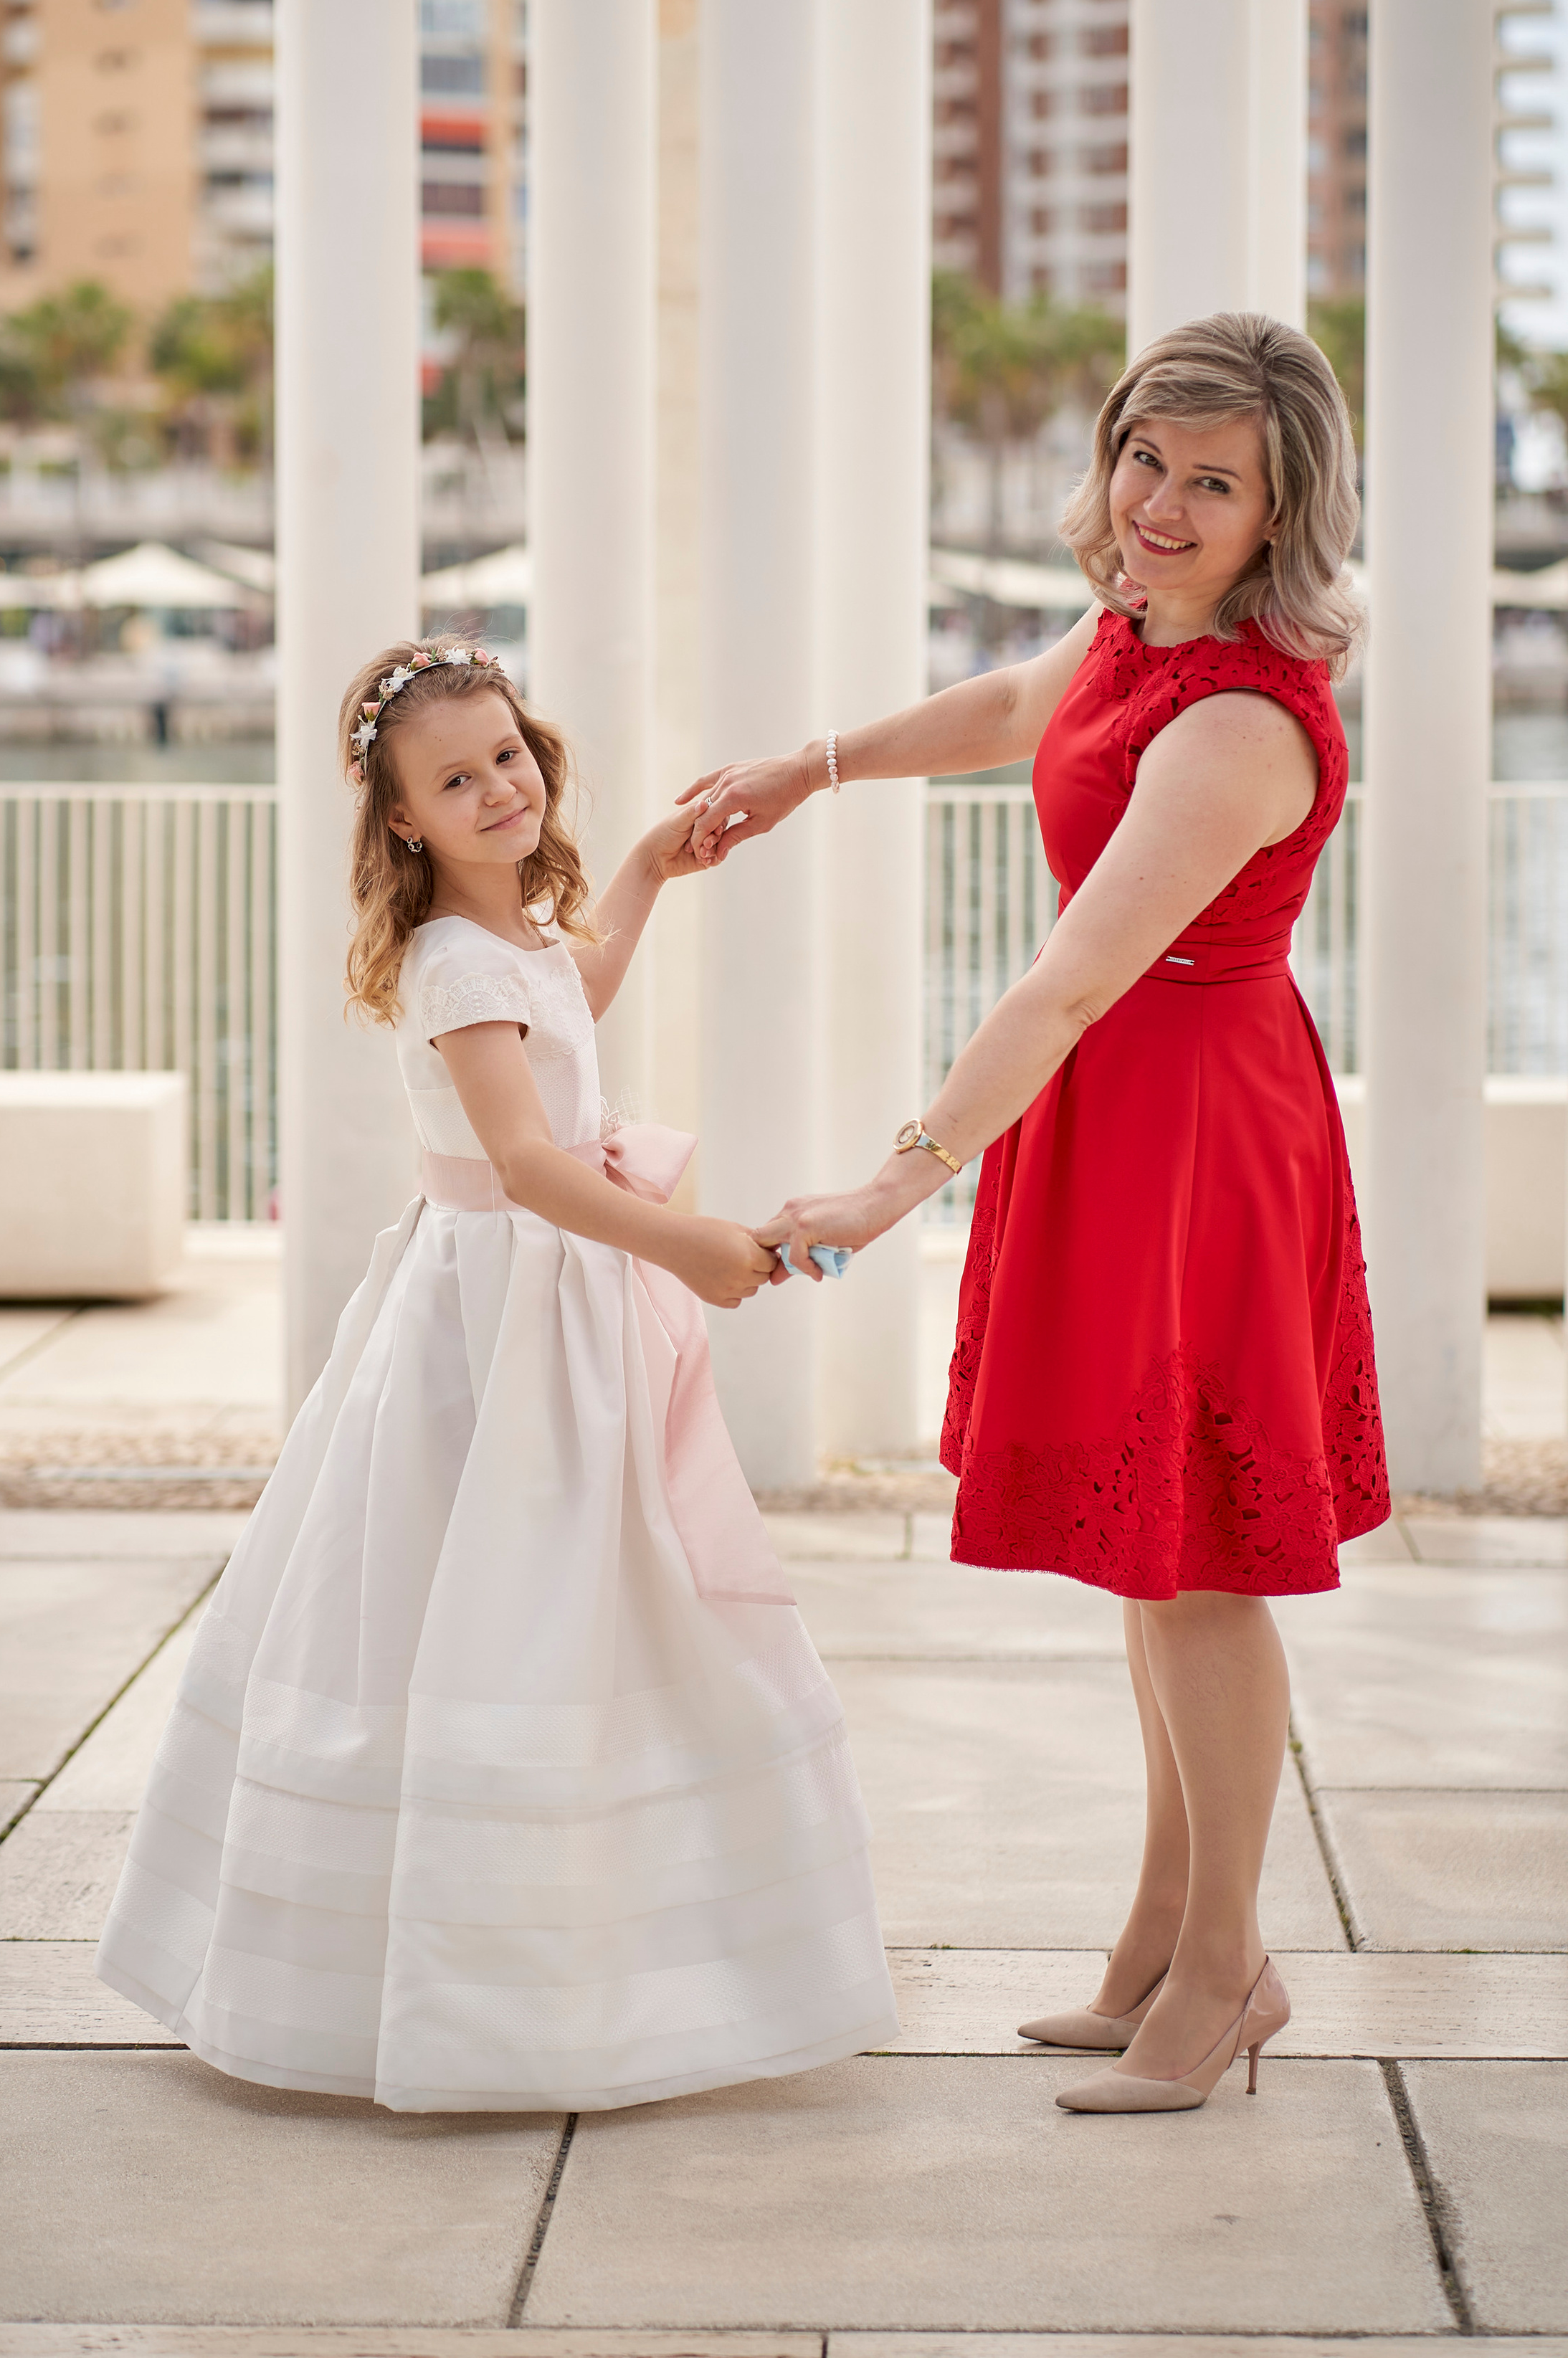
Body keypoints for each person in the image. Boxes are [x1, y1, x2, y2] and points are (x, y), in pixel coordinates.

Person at [685, 312, 1390, 2117]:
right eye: (1144, 457)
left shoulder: (1238, 718)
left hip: (1196, 1130)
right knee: (1150, 1555)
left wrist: (886, 1184)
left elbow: (1067, 984)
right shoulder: (1137, 629)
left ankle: (1224, 1970)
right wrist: (804, 768)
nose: (1158, 503)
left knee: (1201, 1568)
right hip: (1115, 1112)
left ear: (1278, 512)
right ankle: (1160, 1936)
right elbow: (1020, 706)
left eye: (1211, 482)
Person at [96, 638, 897, 2111]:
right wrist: (686, 1245)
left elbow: (574, 991)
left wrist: (646, 867)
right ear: (402, 820)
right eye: (454, 781)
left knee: (579, 1585)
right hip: (500, 1313)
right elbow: (526, 1162)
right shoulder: (454, 962)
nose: (497, 790)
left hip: (552, 1299)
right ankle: (479, 1967)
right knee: (499, 1590)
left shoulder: (510, 937)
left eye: (508, 757)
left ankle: (567, 1941)